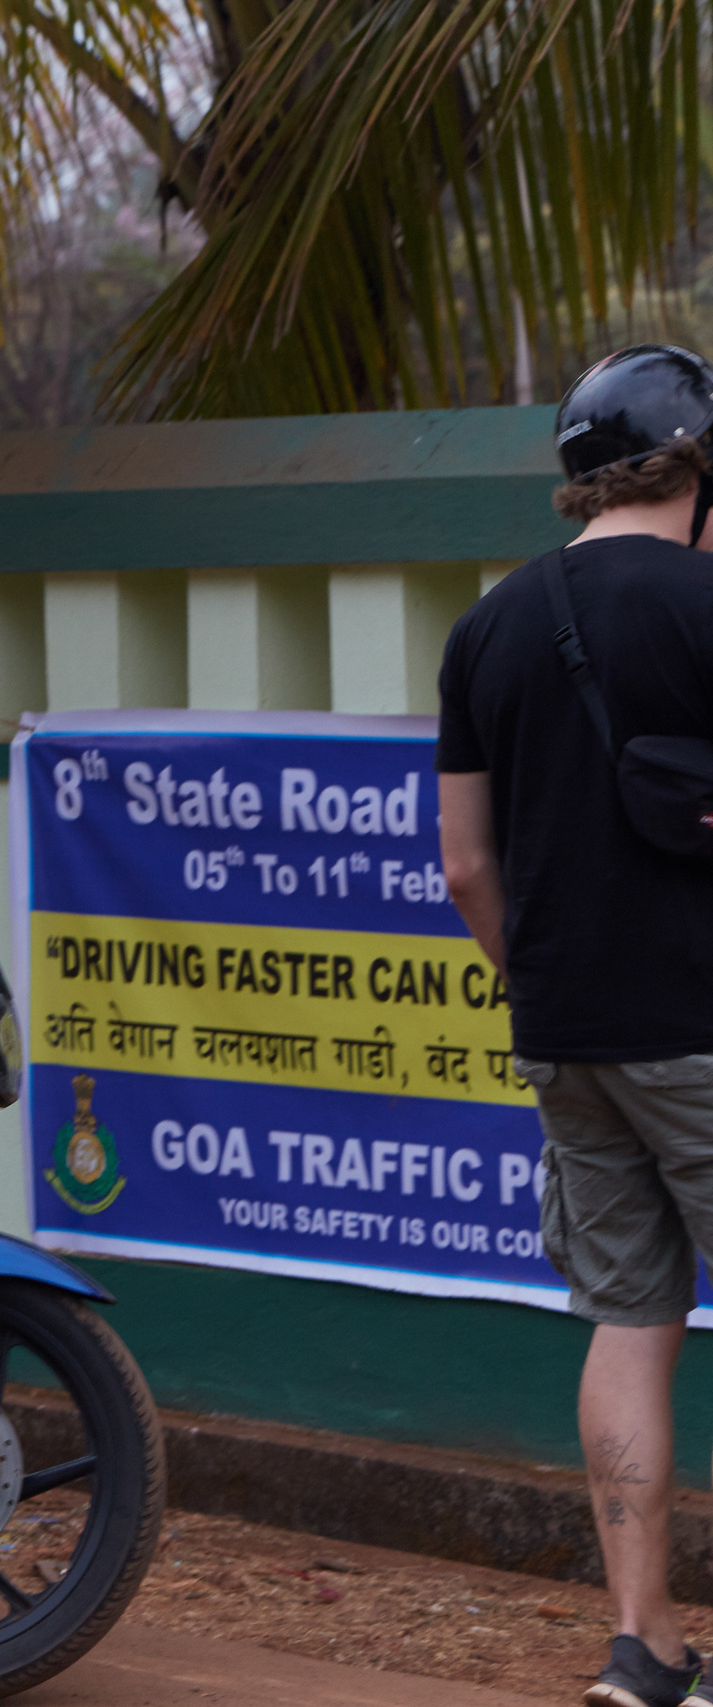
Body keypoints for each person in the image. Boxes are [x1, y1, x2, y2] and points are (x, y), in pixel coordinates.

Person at [438, 343, 713, 1707]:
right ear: (697, 468)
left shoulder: (489, 625)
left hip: (565, 1033)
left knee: (627, 1316)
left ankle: (642, 1645)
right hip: (701, 1029)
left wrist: (533, 979)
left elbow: (464, 864)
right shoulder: (705, 603)